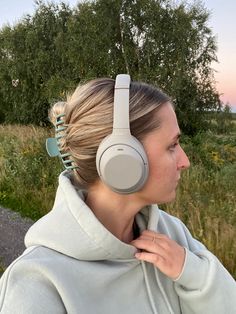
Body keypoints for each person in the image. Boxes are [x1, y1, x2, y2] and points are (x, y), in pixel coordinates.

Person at [0, 74, 235, 314]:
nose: (185, 161)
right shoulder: (36, 284)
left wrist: (194, 274)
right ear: (123, 157)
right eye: (172, 146)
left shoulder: (173, 236)